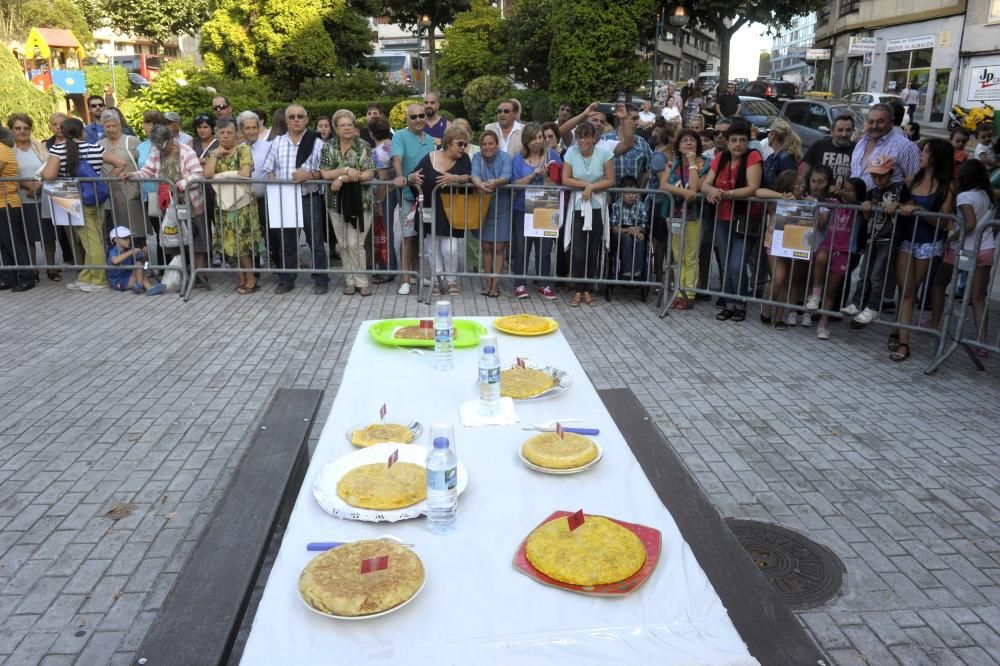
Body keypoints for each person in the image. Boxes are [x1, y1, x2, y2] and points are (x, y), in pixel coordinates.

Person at [887, 138, 953, 362]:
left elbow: (943, 222)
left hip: (928, 243)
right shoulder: (911, 180)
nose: (921, 155)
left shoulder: (946, 186)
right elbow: (897, 200)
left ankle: (902, 336)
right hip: (906, 239)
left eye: (926, 152)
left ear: (936, 157)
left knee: (911, 291)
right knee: (905, 290)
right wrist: (897, 206)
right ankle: (902, 337)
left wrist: (917, 209)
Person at [43, 118, 127, 292]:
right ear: (83, 132)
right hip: (96, 197)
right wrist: (102, 181)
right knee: (92, 239)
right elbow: (121, 163)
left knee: (89, 241)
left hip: (71, 196)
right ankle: (86, 276)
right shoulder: (95, 147)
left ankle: (98, 279)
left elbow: (49, 175)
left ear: (64, 133)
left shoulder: (58, 149)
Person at [260, 104, 328, 295]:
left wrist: (310, 175)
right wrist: (274, 185)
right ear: (286, 120)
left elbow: (326, 171)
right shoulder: (277, 142)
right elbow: (269, 169)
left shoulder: (317, 143)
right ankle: (287, 279)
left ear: (307, 119)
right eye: (292, 117)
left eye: (300, 116)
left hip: (309, 197)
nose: (296, 119)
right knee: (287, 241)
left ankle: (321, 279)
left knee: (315, 241)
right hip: (285, 198)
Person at [931, 158, 995, 355]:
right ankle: (982, 342)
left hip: (963, 248)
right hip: (986, 248)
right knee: (977, 297)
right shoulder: (986, 195)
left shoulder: (965, 196)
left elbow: (970, 223)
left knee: (940, 282)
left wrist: (951, 239)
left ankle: (934, 324)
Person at [126, 125, 209, 278]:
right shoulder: (156, 152)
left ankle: (199, 275)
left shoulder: (186, 151)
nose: (162, 150)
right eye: (158, 146)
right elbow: (147, 172)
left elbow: (198, 175)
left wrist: (178, 185)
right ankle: (179, 274)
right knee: (173, 240)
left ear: (171, 139)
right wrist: (132, 175)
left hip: (191, 203)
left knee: (197, 241)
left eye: (164, 146)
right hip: (169, 205)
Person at [701, 119, 763, 322]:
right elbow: (705, 184)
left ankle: (740, 302)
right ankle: (729, 304)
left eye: (742, 140)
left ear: (748, 142)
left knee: (737, 264)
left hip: (746, 218)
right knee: (727, 263)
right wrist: (712, 191)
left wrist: (725, 193)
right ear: (727, 142)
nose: (738, 144)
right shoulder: (721, 158)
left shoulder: (753, 157)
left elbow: (752, 187)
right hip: (723, 217)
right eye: (734, 140)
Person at [845, 156, 910, 326]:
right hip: (872, 237)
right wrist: (866, 206)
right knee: (864, 272)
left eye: (881, 175)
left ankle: (872, 307)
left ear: (890, 173)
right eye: (874, 176)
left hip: (889, 238)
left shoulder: (900, 188)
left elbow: (910, 206)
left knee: (877, 275)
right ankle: (857, 303)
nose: (877, 179)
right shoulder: (872, 191)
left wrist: (898, 206)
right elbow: (867, 216)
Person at [409, 125, 472, 295]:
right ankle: (437, 280)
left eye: (465, 144)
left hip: (452, 210)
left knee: (450, 248)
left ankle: (451, 280)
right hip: (430, 207)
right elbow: (413, 176)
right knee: (432, 248)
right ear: (449, 142)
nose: (463, 148)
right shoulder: (430, 156)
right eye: (460, 144)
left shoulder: (464, 159)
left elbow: (469, 177)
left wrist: (456, 178)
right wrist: (411, 177)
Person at [319, 109, 376, 296]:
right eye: (342, 125)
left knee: (355, 243)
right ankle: (349, 280)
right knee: (343, 243)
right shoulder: (328, 146)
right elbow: (325, 173)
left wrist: (343, 178)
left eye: (350, 124)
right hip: (335, 202)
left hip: (362, 202)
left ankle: (361, 280)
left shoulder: (364, 146)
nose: (346, 128)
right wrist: (346, 170)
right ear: (335, 128)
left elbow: (369, 173)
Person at [203, 117, 261, 294]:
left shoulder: (244, 149)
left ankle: (251, 278)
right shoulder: (214, 152)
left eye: (229, 132)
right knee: (228, 243)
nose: (226, 136)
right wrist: (215, 155)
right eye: (222, 133)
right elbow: (207, 174)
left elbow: (244, 173)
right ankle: (240, 278)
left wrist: (222, 177)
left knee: (241, 243)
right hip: (223, 205)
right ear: (217, 135)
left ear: (236, 134)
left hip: (243, 204)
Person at [561, 122, 615, 307]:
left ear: (594, 138)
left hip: (597, 206)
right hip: (577, 206)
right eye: (580, 136)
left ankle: (588, 290)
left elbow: (610, 180)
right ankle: (578, 289)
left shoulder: (605, 154)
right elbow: (565, 178)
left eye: (586, 136)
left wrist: (592, 187)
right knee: (578, 252)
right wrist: (586, 186)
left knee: (593, 251)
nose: (582, 140)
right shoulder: (571, 153)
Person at [807, 177, 867, 340]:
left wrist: (843, 193)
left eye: (850, 190)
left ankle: (823, 323)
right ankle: (815, 295)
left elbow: (859, 205)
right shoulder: (834, 201)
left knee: (833, 289)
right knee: (820, 258)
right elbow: (821, 200)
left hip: (845, 250)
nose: (845, 192)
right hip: (828, 244)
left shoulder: (860, 208)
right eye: (844, 188)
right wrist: (819, 192)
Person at [509, 123, 560, 299]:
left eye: (540, 137)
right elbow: (514, 184)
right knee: (522, 247)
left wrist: (547, 176)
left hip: (546, 206)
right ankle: (520, 283)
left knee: (544, 247)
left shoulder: (552, 155)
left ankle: (543, 283)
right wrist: (533, 175)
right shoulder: (517, 158)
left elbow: (559, 180)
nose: (537, 141)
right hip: (522, 207)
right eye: (533, 138)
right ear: (526, 141)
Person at [8, 113, 61, 282]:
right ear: (11, 130)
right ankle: (33, 270)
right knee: (28, 237)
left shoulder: (39, 146)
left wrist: (38, 185)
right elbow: (9, 173)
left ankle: (52, 269)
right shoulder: (8, 150)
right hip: (22, 198)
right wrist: (28, 186)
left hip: (44, 196)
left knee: (48, 236)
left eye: (26, 128)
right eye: (18, 128)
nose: (22, 131)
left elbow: (49, 166)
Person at [660, 129, 708, 308]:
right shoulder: (672, 163)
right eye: (684, 141)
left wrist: (691, 162)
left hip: (693, 216)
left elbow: (695, 187)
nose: (689, 143)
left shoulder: (705, 163)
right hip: (675, 215)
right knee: (677, 255)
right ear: (678, 146)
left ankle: (689, 294)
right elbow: (663, 184)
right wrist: (682, 191)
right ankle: (678, 292)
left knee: (691, 257)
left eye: (692, 140)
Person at [390, 103, 436, 295]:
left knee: (419, 237)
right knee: (408, 238)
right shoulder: (400, 136)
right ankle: (405, 279)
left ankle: (417, 275)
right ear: (407, 119)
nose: (418, 119)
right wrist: (402, 177)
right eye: (413, 116)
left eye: (421, 115)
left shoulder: (430, 139)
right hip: (409, 196)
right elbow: (397, 158)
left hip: (426, 197)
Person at [471, 129, 512, 298]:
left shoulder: (504, 157)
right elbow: (474, 175)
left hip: (501, 205)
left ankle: (496, 283)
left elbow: (506, 176)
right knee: (486, 246)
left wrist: (496, 182)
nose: (487, 147)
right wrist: (479, 184)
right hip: (483, 205)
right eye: (484, 144)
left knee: (499, 247)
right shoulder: (476, 157)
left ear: (496, 144)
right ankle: (487, 282)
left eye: (491, 143)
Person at [99, 110, 148, 248]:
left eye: (114, 125)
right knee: (117, 233)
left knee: (138, 230)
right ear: (103, 127)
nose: (111, 129)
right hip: (111, 194)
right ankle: (123, 265)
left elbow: (142, 162)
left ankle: (144, 263)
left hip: (132, 191)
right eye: (107, 126)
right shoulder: (99, 145)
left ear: (120, 126)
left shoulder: (132, 141)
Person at [851, 103, 920, 189]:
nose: (874, 126)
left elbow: (917, 182)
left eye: (880, 122)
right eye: (871, 122)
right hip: (853, 201)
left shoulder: (905, 147)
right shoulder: (861, 143)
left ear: (891, 122)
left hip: (884, 202)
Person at [239, 110, 274, 273]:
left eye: (254, 127)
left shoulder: (269, 147)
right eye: (247, 128)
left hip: (265, 199)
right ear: (241, 130)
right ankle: (254, 271)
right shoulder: (237, 150)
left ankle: (276, 266)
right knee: (249, 235)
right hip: (243, 200)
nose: (251, 131)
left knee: (271, 234)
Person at [0, 127, 33, 291]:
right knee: (4, 244)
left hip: (7, 203)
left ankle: (26, 277)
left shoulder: (1, 149)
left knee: (13, 243)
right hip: (3, 203)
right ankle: (9, 277)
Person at [368, 116, 396, 283]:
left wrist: (378, 202)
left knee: (385, 232)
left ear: (371, 133)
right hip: (394, 191)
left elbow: (383, 180)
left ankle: (388, 268)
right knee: (388, 232)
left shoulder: (379, 152)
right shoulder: (392, 145)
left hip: (386, 195)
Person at [799, 114, 856, 190]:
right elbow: (803, 173)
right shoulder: (819, 146)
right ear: (832, 131)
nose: (844, 134)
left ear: (853, 131)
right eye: (840, 130)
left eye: (848, 130)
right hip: (818, 198)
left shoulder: (857, 149)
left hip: (844, 199)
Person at [609, 175, 648, 280]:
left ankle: (637, 271)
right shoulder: (616, 205)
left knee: (640, 240)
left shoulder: (641, 206)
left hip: (637, 231)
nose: (631, 196)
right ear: (621, 193)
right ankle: (627, 270)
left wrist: (637, 230)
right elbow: (614, 228)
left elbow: (644, 227)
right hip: (621, 232)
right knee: (627, 239)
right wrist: (629, 230)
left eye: (634, 193)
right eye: (628, 193)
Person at [106, 226, 164, 294]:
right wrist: (131, 252)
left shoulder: (128, 249)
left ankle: (143, 286)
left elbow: (144, 261)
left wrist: (145, 252)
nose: (128, 240)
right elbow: (115, 261)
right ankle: (146, 287)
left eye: (129, 238)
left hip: (129, 278)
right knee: (140, 269)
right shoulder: (113, 251)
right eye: (125, 238)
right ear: (115, 240)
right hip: (119, 282)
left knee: (139, 264)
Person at [761, 119, 801, 189]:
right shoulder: (771, 157)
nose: (768, 135)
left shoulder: (786, 159)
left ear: (773, 135)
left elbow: (788, 187)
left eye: (769, 132)